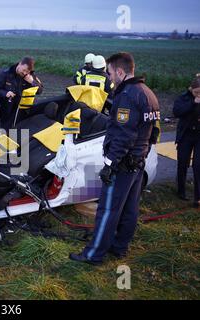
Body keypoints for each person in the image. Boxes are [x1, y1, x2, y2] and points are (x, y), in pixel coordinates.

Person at [69, 52, 160, 265]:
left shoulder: (128, 95)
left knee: (107, 210)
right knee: (129, 208)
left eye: (110, 73)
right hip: (137, 162)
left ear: (120, 71)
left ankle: (93, 255)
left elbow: (123, 135)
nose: (109, 77)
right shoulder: (148, 93)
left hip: (123, 164)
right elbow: (153, 132)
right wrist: (142, 154)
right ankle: (119, 247)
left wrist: (110, 164)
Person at [0, 56, 43, 129]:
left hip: (23, 112)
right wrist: (5, 93)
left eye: (27, 72)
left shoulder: (30, 76)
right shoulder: (5, 74)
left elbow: (40, 91)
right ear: (20, 64)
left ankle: (21, 140)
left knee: (22, 135)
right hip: (6, 112)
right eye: (24, 70)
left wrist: (32, 82)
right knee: (6, 134)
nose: (24, 73)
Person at [173, 74, 200, 207]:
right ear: (191, 89)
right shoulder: (184, 98)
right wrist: (193, 103)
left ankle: (198, 197)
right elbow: (177, 112)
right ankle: (181, 191)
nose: (198, 96)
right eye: (196, 93)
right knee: (182, 163)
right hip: (185, 135)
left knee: (198, 166)